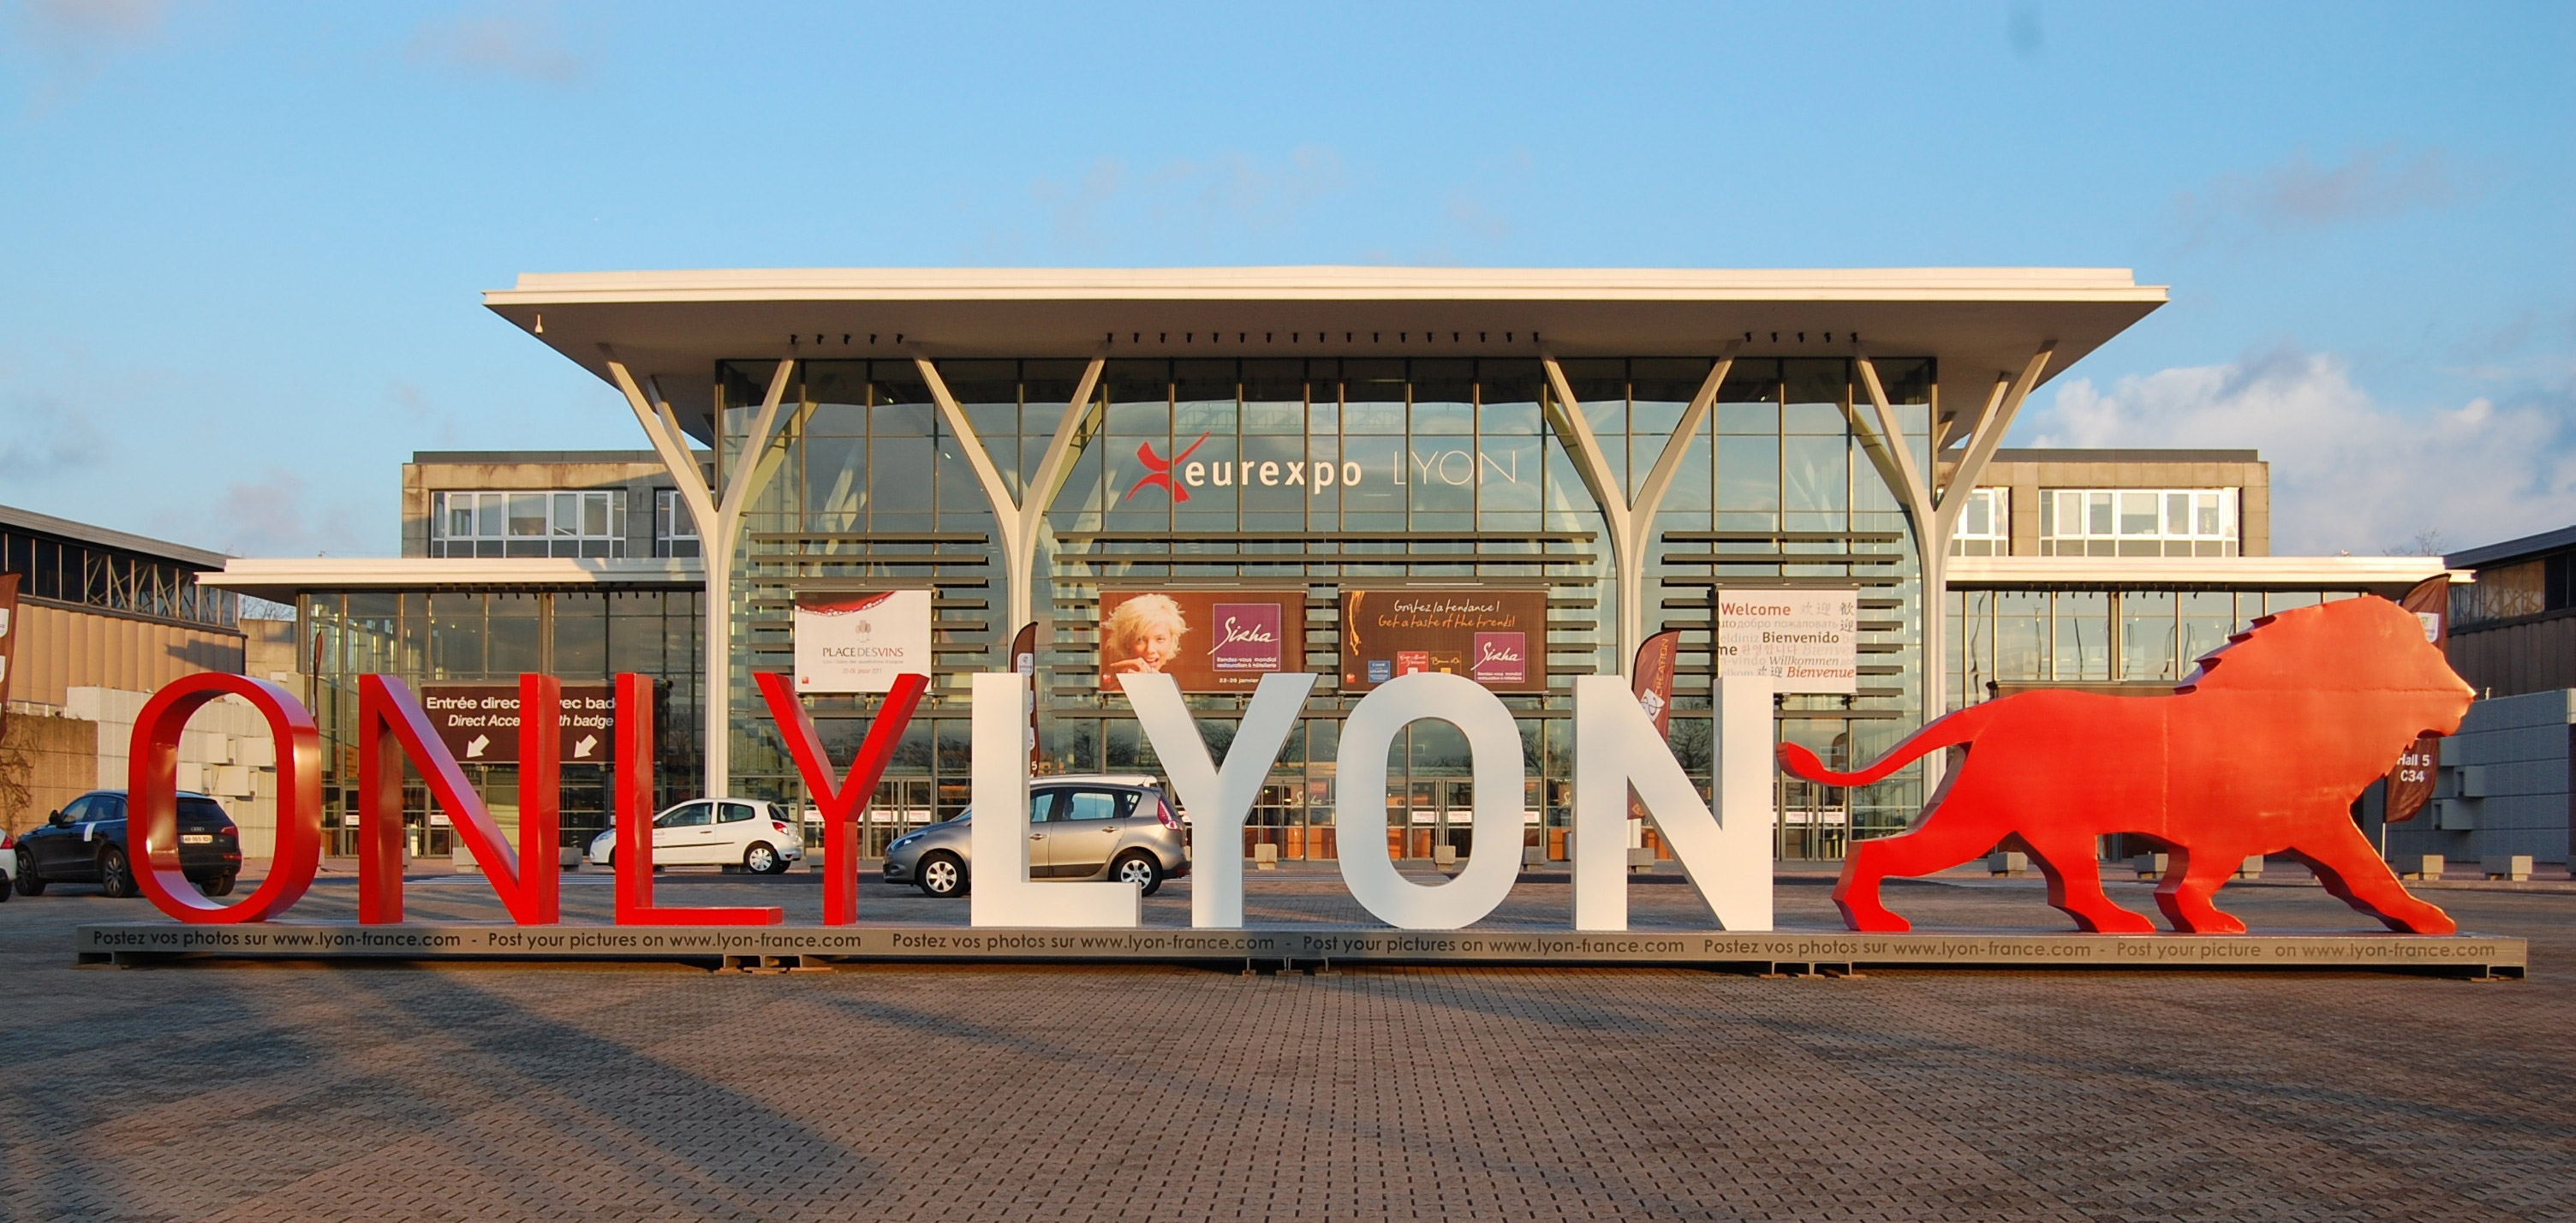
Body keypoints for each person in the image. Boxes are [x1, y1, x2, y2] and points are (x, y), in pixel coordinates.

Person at [1101, 594, 1188, 683]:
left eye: (1160, 639)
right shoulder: (1120, 690)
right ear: (1127, 643)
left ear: (1171, 641)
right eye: (1140, 640)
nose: (1150, 649)